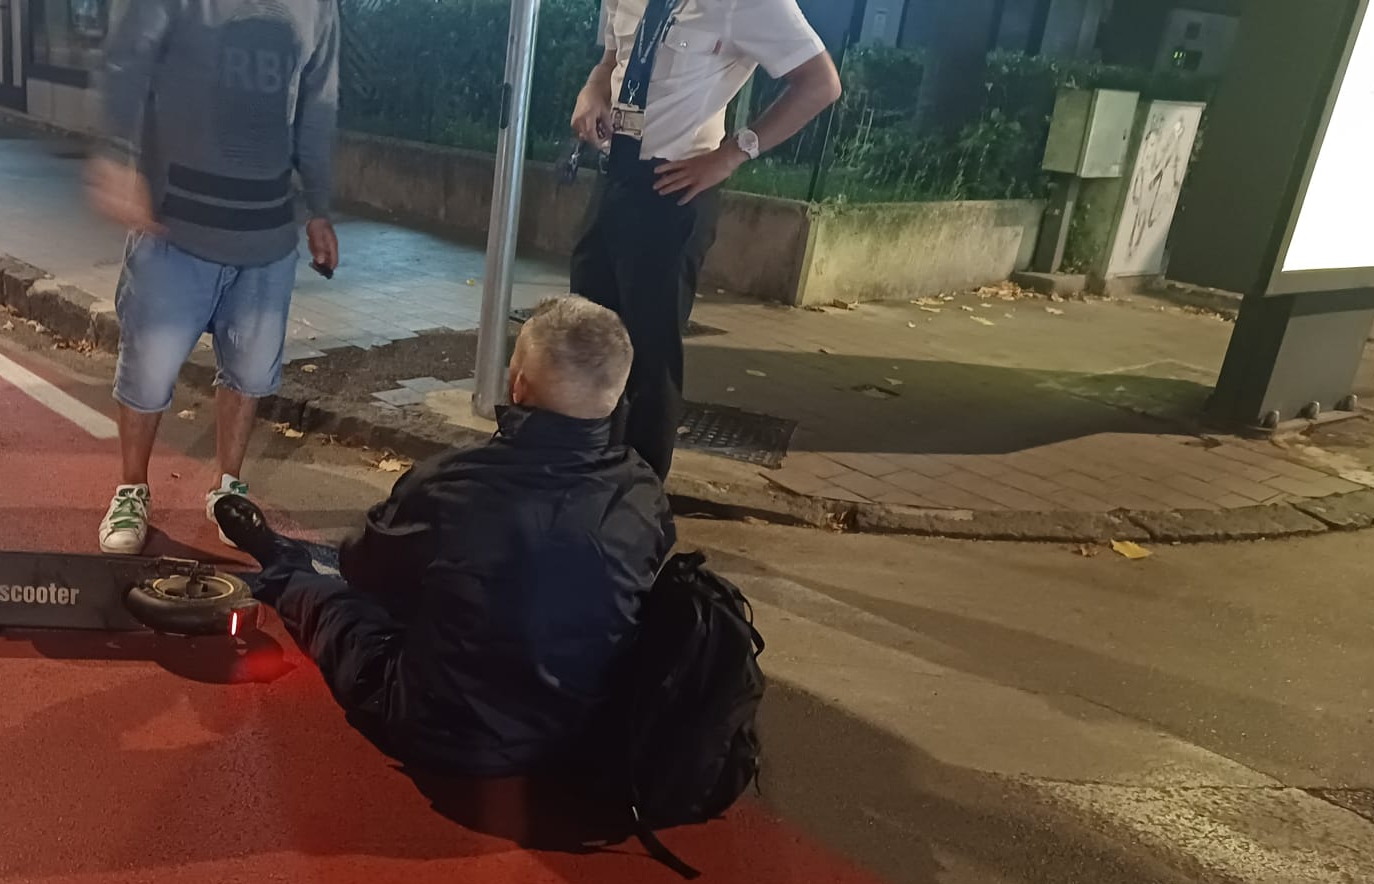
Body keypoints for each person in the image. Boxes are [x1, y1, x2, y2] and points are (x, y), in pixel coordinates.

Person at [215, 296, 675, 776]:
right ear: (615, 395)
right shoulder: (644, 493)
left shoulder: (455, 483)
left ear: (518, 386)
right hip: (584, 737)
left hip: (444, 730)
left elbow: (364, 570)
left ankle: (280, 566)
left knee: (335, 604)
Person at [86, 0, 342, 553]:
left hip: (267, 229)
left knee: (250, 374)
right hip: (173, 223)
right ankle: (132, 488)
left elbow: (318, 106)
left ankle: (228, 489)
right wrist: (114, 155)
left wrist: (318, 208)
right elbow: (128, 60)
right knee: (148, 374)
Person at [569, 0, 841, 479]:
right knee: (587, 339)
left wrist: (733, 154)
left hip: (675, 187)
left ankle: (638, 496)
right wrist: (592, 89)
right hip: (613, 178)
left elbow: (821, 83)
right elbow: (613, 56)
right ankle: (581, 475)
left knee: (650, 356)